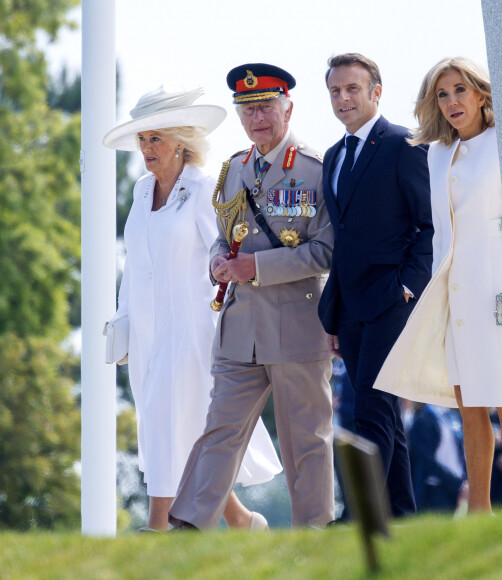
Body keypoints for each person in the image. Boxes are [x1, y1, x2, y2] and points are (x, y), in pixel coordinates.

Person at [102, 85, 282, 531]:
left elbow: (225, 254)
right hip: (146, 332)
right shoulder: (142, 192)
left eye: (155, 138)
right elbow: (133, 264)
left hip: (193, 329)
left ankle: (160, 527)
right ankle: (242, 521)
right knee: (177, 429)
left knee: (167, 423)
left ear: (181, 140)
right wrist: (124, 324)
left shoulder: (204, 189)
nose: (146, 148)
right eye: (142, 139)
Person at [168, 64, 335, 530]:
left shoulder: (314, 170)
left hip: (297, 325)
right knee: (219, 432)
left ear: (288, 107)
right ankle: (187, 526)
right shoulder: (234, 168)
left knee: (305, 439)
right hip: (240, 328)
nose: (256, 117)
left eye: (265, 106)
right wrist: (220, 261)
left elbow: (325, 251)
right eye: (247, 109)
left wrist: (254, 268)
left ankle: (315, 535)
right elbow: (226, 236)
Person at [374, 57, 502, 514]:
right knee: (469, 406)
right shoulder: (437, 154)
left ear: (481, 93)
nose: (452, 101)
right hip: (454, 296)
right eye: (442, 94)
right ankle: (480, 511)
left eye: (460, 90)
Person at [318, 53, 433, 518]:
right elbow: (342, 238)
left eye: (352, 89)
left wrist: (408, 287)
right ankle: (402, 514)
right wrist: (334, 313)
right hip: (351, 307)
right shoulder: (332, 156)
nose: (343, 99)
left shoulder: (404, 144)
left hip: (393, 299)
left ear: (375, 93)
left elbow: (428, 226)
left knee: (370, 409)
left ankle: (358, 516)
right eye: (335, 91)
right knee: (381, 412)